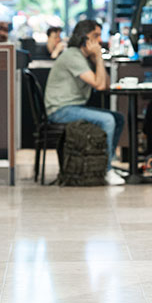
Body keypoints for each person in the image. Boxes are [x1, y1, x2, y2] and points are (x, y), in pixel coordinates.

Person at [44, 20, 125, 185]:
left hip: (73, 107)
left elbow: (106, 85)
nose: (99, 41)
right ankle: (107, 170)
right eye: (95, 36)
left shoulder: (83, 57)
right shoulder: (72, 55)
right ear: (84, 37)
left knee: (118, 118)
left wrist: (97, 60)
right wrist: (100, 57)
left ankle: (103, 163)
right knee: (108, 120)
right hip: (61, 110)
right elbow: (100, 84)